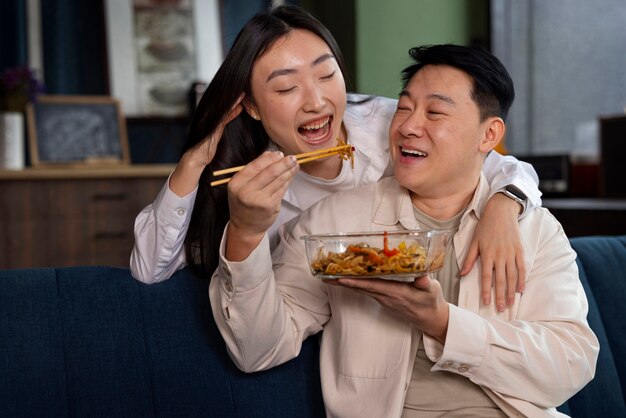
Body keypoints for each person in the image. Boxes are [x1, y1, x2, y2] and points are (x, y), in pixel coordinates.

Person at [209, 44, 599, 417]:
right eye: (405, 107)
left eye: (435, 113)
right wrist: (245, 232)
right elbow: (257, 350)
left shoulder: (533, 229)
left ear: (489, 135)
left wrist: (444, 324)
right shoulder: (333, 226)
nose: (409, 126)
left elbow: (571, 366)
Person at [131, 5, 541, 310]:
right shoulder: (251, 183)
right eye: (287, 88)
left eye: (327, 75)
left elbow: (499, 163)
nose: (316, 102)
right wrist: (192, 163)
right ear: (252, 108)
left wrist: (503, 209)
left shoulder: (391, 121)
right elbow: (149, 270)